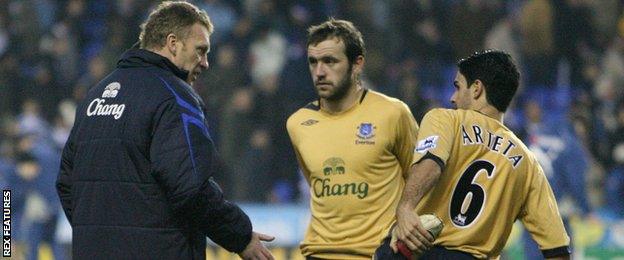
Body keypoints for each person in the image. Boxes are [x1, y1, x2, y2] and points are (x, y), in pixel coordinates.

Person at [55, 2, 274, 259]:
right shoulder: (174, 96)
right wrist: (240, 235)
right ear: (173, 43)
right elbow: (190, 188)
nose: (205, 63)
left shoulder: (95, 96)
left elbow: (66, 184)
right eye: (200, 50)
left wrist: (103, 235)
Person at [375, 50, 571, 259]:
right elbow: (557, 248)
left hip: (423, 252)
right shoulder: (528, 163)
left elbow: (430, 164)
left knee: (388, 249)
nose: (452, 98)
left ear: (476, 88)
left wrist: (405, 208)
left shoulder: (446, 119)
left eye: (458, 87)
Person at [286, 18, 419, 259]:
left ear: (357, 64)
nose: (319, 72)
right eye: (313, 62)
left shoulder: (393, 113)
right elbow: (315, 181)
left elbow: (420, 177)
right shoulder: (297, 123)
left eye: (330, 61)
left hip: (375, 254)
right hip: (319, 253)